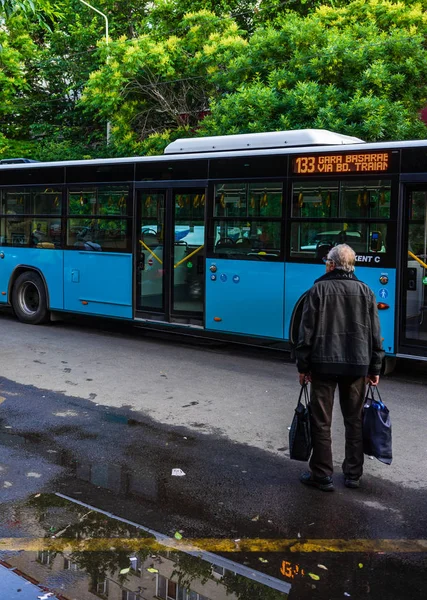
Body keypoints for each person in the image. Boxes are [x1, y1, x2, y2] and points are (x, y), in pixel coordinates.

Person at [295, 244, 384, 492]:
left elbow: (306, 334)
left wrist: (303, 366)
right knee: (354, 420)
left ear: (332, 264)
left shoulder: (318, 290)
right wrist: (375, 367)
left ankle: (322, 475)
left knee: (321, 421)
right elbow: (376, 335)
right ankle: (353, 474)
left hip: (323, 365)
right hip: (357, 367)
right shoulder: (366, 292)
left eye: (327, 261)